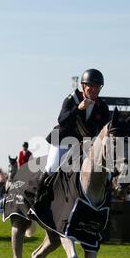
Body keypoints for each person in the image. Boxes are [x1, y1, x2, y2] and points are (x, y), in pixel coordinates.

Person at [35, 68, 110, 202]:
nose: (94, 89)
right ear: (83, 86)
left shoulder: (102, 106)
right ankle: (36, 202)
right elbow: (62, 120)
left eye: (97, 87)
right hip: (63, 140)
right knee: (51, 167)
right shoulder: (72, 99)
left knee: (102, 172)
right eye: (90, 86)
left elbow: (104, 130)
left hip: (85, 144)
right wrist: (78, 108)